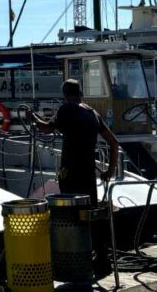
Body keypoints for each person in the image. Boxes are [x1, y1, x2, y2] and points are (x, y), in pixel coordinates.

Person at [30, 79, 120, 276]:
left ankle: (73, 260)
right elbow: (114, 143)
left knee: (70, 217)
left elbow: (46, 128)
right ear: (81, 93)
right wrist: (110, 170)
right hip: (88, 173)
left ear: (65, 95)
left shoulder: (66, 110)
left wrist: (33, 119)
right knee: (91, 214)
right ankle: (102, 259)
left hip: (70, 172)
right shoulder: (92, 113)